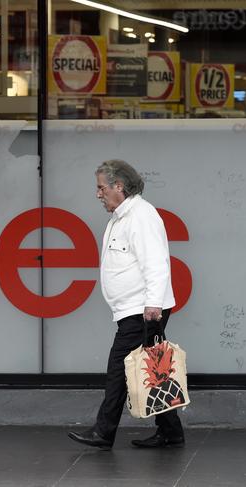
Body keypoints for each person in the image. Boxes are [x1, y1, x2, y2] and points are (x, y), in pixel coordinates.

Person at [68, 159, 184, 450]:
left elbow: (156, 263)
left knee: (118, 369)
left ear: (118, 186)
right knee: (155, 368)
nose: (98, 194)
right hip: (135, 309)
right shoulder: (121, 218)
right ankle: (171, 431)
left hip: (142, 310)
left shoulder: (141, 216)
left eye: (101, 188)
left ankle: (103, 432)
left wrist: (153, 305)